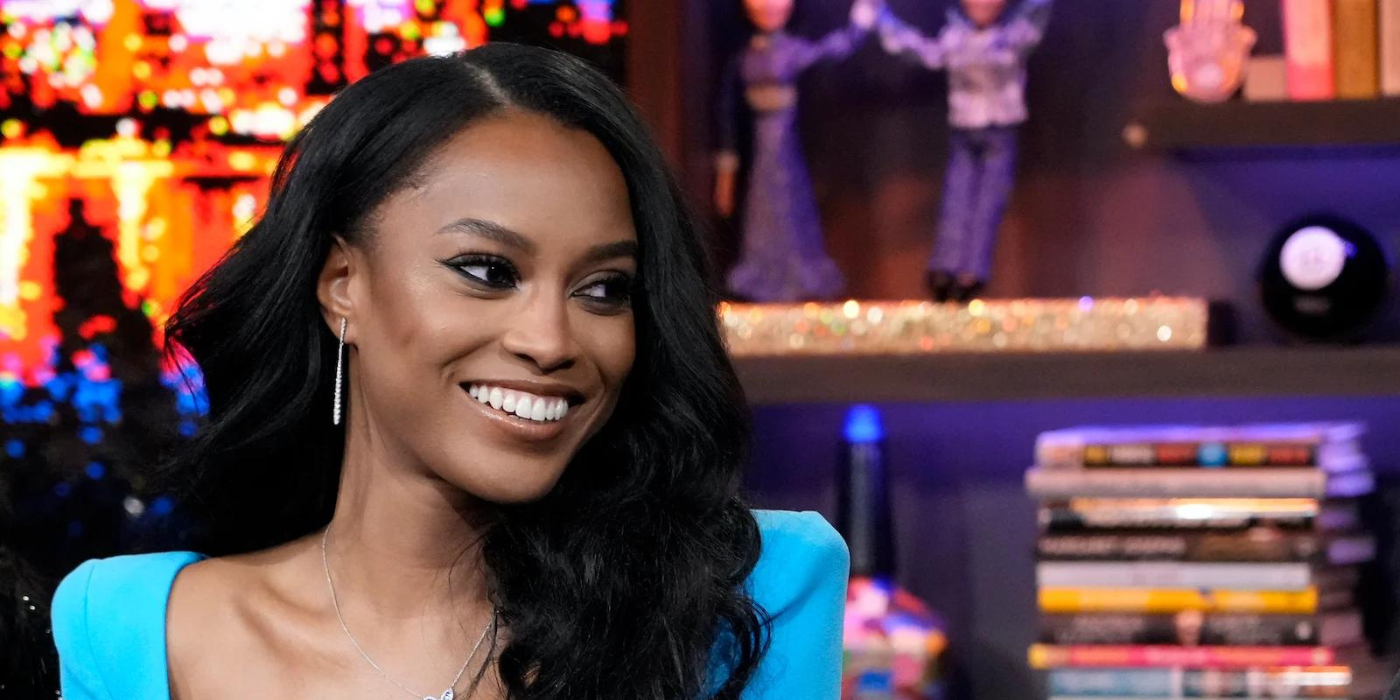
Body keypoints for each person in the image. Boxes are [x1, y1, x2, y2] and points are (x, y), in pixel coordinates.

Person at [50, 44, 849, 700]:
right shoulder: (129, 631)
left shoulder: (749, 600)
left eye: (604, 289)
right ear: (343, 285)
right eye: (488, 271)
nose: (551, 341)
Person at [877, 0, 1053, 302]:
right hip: (964, 129)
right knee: (956, 198)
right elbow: (920, 51)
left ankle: (971, 272)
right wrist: (882, 20)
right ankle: (945, 267)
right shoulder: (955, 37)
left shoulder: (1013, 35)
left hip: (998, 130)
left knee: (988, 202)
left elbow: (1037, 14)